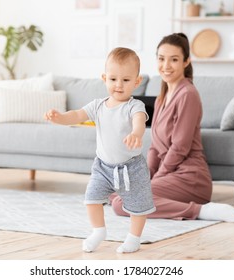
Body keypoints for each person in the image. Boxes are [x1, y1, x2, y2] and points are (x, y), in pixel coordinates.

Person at [111, 33, 234, 223]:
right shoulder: (161, 97)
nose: (166, 66)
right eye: (161, 59)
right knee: (114, 193)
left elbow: (180, 147)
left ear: (186, 61)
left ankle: (201, 211)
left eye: (174, 60)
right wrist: (145, 177)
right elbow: (156, 148)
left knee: (121, 202)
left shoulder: (188, 94)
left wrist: (155, 180)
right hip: (169, 174)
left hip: (190, 177)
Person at [44, 47, 155, 253]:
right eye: (113, 79)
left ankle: (134, 238)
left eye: (126, 80)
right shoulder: (98, 105)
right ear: (104, 78)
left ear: (137, 82)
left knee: (139, 206)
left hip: (131, 169)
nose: (118, 85)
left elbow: (139, 122)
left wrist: (136, 134)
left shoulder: (135, 106)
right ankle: (98, 231)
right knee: (91, 198)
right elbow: (77, 115)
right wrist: (59, 118)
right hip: (103, 167)